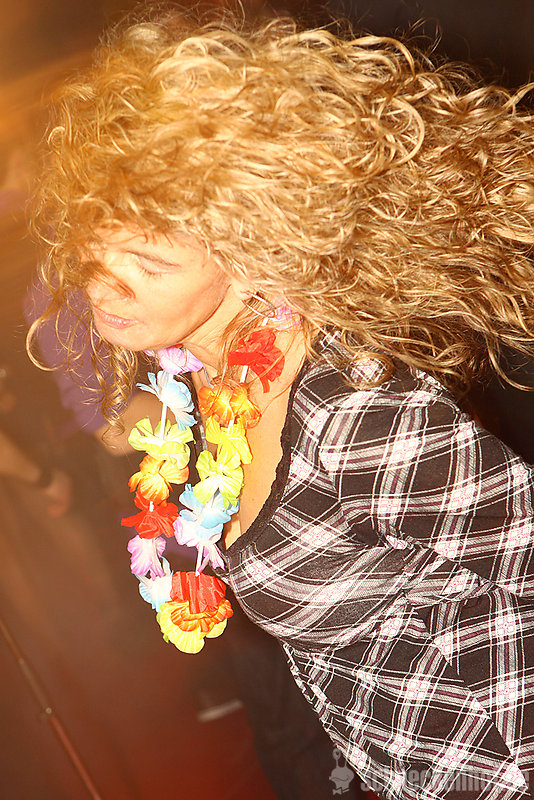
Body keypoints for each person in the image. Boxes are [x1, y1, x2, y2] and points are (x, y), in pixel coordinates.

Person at [30, 8, 534, 800]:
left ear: (256, 250)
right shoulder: (212, 384)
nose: (103, 281)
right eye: (96, 243)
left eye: (147, 262)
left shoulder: (355, 412)